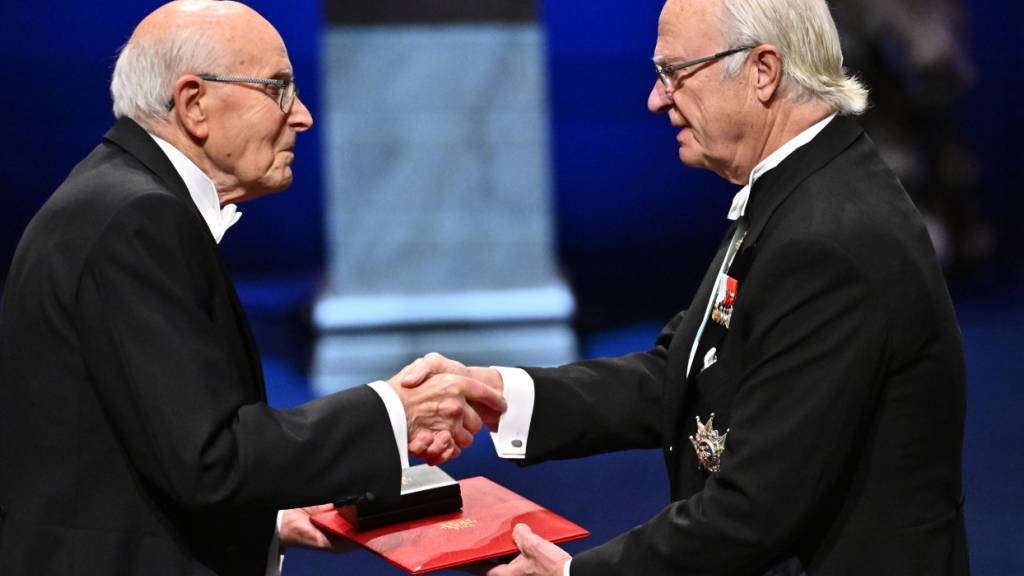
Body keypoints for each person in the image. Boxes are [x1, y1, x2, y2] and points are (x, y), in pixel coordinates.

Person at [403, 0, 969, 574]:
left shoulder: (828, 239)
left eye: (673, 72)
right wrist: (500, 395)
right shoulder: (801, 189)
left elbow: (753, 512)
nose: (655, 98)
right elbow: (683, 375)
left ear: (763, 71)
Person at [0, 2, 504, 575]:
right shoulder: (137, 220)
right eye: (279, 89)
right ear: (194, 104)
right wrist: (395, 411)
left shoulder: (115, 197)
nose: (303, 115)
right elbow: (207, 459)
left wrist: (268, 521)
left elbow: (137, 450)